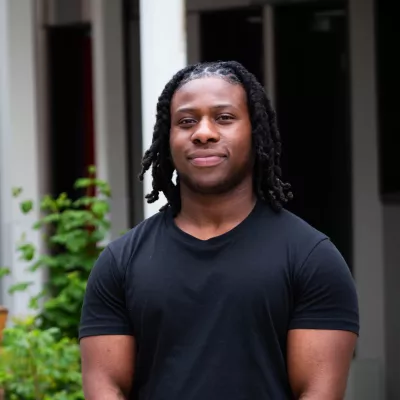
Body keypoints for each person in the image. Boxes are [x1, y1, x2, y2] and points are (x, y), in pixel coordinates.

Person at [79, 61, 359, 399]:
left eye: (224, 118)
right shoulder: (120, 262)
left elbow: (317, 391)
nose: (204, 132)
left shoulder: (312, 259)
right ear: (169, 138)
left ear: (255, 131)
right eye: (186, 121)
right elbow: (106, 387)